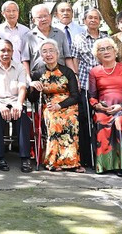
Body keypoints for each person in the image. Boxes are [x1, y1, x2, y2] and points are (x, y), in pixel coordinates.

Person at [29, 39, 82, 173]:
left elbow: (75, 96)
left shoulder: (67, 72)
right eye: (45, 51)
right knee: (54, 121)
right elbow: (33, 99)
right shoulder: (38, 73)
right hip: (49, 105)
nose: (48, 54)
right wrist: (33, 87)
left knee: (71, 120)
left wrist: (60, 105)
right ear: (41, 56)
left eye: (51, 51)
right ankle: (53, 161)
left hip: (68, 104)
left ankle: (73, 162)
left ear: (58, 54)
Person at [88, 38, 122, 176]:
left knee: (119, 121)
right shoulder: (94, 72)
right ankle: (104, 164)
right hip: (104, 109)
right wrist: (98, 106)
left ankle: (121, 164)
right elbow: (92, 96)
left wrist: (121, 106)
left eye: (109, 48)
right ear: (97, 54)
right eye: (101, 49)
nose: (106, 51)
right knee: (100, 120)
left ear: (115, 51)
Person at [0, 39, 33, 173]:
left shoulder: (20, 67)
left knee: (22, 116)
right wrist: (0, 106)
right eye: (2, 50)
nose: (6, 53)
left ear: (12, 52)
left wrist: (19, 104)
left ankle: (25, 158)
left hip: (16, 101)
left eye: (8, 50)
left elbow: (22, 88)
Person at [72, 8, 108, 166]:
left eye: (96, 18)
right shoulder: (78, 38)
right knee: (86, 120)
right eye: (90, 18)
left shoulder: (106, 38)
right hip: (85, 82)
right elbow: (75, 59)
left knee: (104, 118)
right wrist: (76, 78)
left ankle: (105, 154)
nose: (93, 20)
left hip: (105, 84)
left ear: (100, 21)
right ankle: (88, 158)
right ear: (84, 21)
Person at [22, 3, 75, 76]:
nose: (43, 19)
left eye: (45, 16)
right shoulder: (28, 37)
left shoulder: (60, 34)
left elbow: (67, 57)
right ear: (34, 20)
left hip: (60, 77)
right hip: (37, 77)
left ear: (50, 17)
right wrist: (28, 78)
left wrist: (74, 74)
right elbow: (25, 60)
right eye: (39, 17)